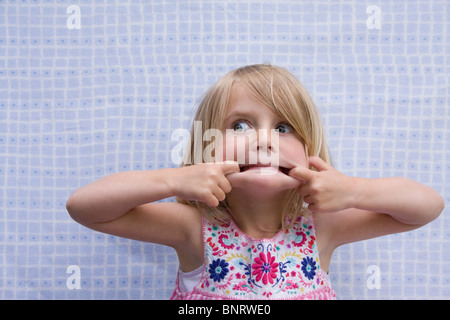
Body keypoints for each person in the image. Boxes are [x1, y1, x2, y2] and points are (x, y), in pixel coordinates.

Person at [66, 64, 444, 300]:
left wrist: (355, 191)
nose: (263, 140)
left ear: (310, 148)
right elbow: (85, 207)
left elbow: (427, 206)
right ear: (207, 147)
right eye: (240, 126)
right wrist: (173, 180)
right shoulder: (193, 229)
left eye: (283, 128)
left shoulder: (323, 227)